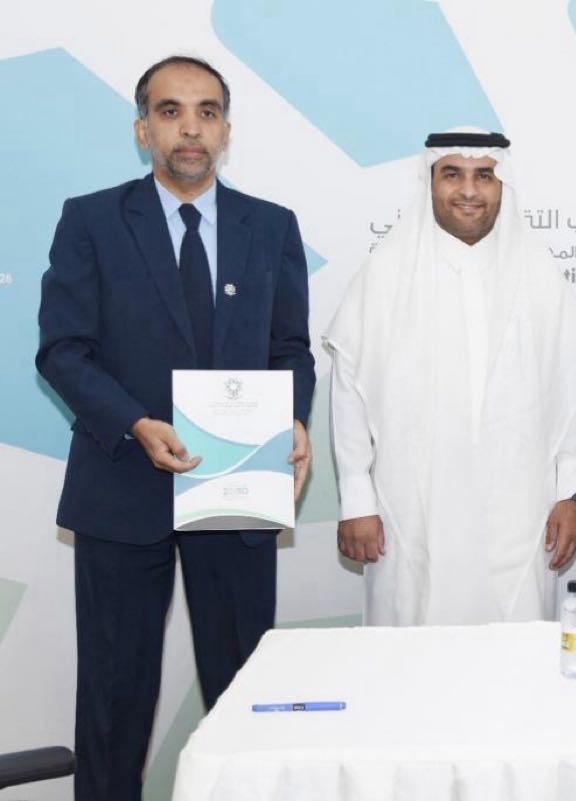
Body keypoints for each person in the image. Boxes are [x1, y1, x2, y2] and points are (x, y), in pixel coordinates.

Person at [35, 55, 315, 800]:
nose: (190, 128)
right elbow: (63, 349)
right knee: (114, 701)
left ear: (226, 130)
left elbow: (290, 347)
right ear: (142, 130)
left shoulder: (271, 226)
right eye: (170, 111)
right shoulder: (91, 221)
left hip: (238, 490)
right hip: (123, 490)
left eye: (206, 112)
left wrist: (292, 417)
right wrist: (134, 422)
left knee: (245, 699)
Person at [325, 129, 576, 625]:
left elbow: (575, 393)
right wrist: (357, 500)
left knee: (513, 653)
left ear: (502, 185)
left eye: (484, 176)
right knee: (413, 648)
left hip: (518, 512)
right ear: (429, 182)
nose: (469, 191)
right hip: (411, 511)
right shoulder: (386, 274)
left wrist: (572, 495)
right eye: (453, 174)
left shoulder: (538, 275)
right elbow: (349, 394)